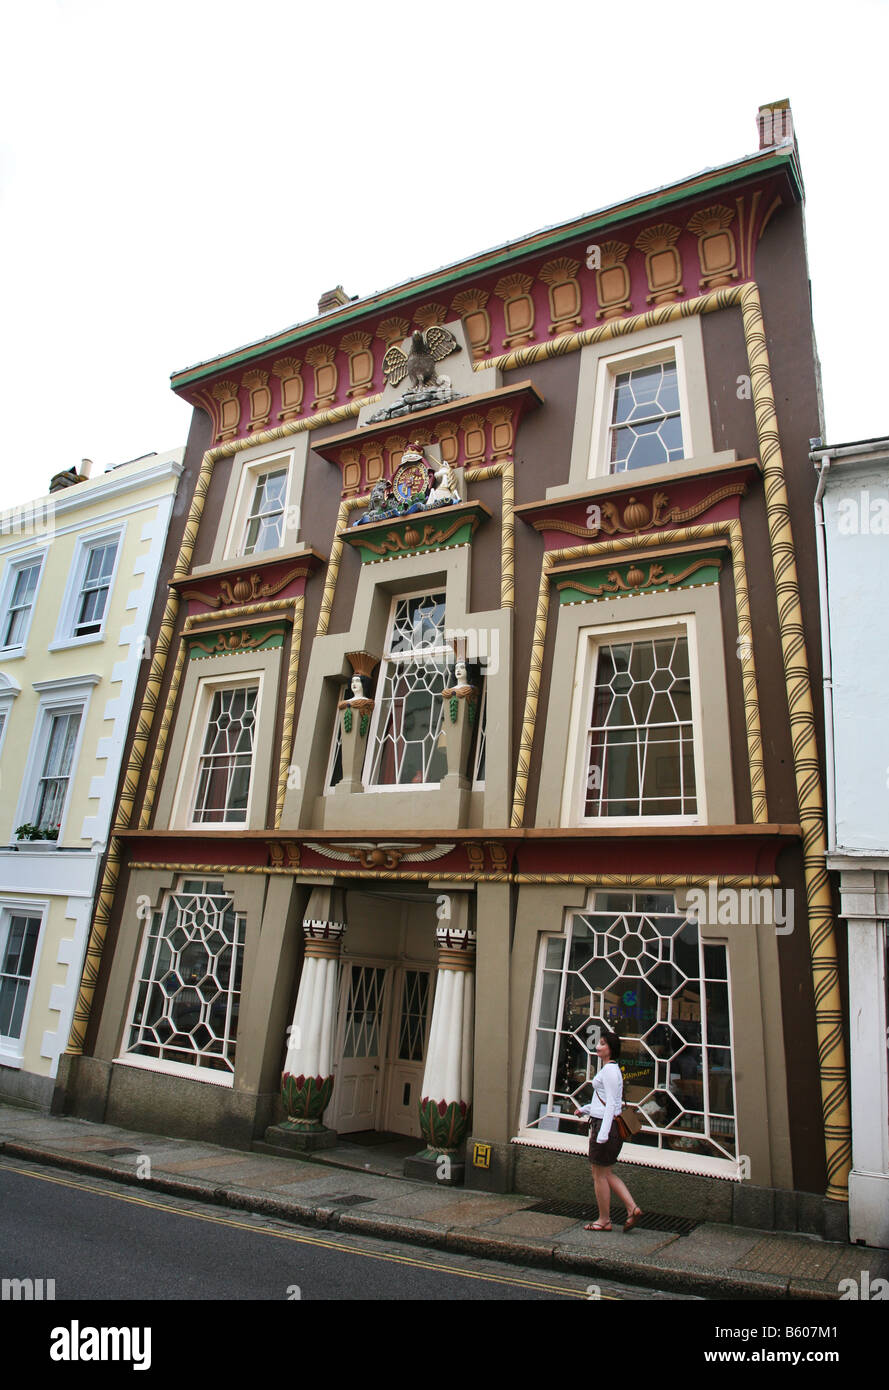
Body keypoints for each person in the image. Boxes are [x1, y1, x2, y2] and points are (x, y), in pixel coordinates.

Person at [574, 1030, 643, 1232]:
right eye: (599, 1043)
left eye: (603, 1044)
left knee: (599, 1175)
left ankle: (604, 1220)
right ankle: (632, 1208)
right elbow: (602, 1099)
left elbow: (612, 1103)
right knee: (606, 1172)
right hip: (603, 1124)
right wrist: (585, 1109)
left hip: (605, 1127)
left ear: (610, 1049)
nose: (598, 1046)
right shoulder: (607, 1070)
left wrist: (602, 1134)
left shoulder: (611, 1071)